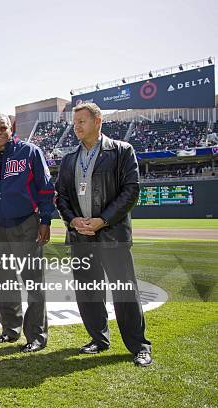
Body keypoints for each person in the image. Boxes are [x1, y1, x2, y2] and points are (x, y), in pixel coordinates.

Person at [55, 102, 153, 367]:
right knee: (88, 291)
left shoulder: (121, 151)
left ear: (98, 121)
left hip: (112, 235)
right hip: (80, 236)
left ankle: (139, 346)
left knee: (124, 292)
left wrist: (103, 220)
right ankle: (98, 339)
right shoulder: (68, 159)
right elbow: (61, 196)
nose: (76, 127)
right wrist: (73, 220)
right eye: (74, 123)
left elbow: (130, 191)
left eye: (81, 122)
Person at [0, 113, 55, 352]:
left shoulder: (30, 152)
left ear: (11, 128)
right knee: (3, 282)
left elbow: (46, 188)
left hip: (26, 223)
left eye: (2, 127)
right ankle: (10, 330)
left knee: (33, 281)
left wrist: (45, 220)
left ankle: (36, 335)